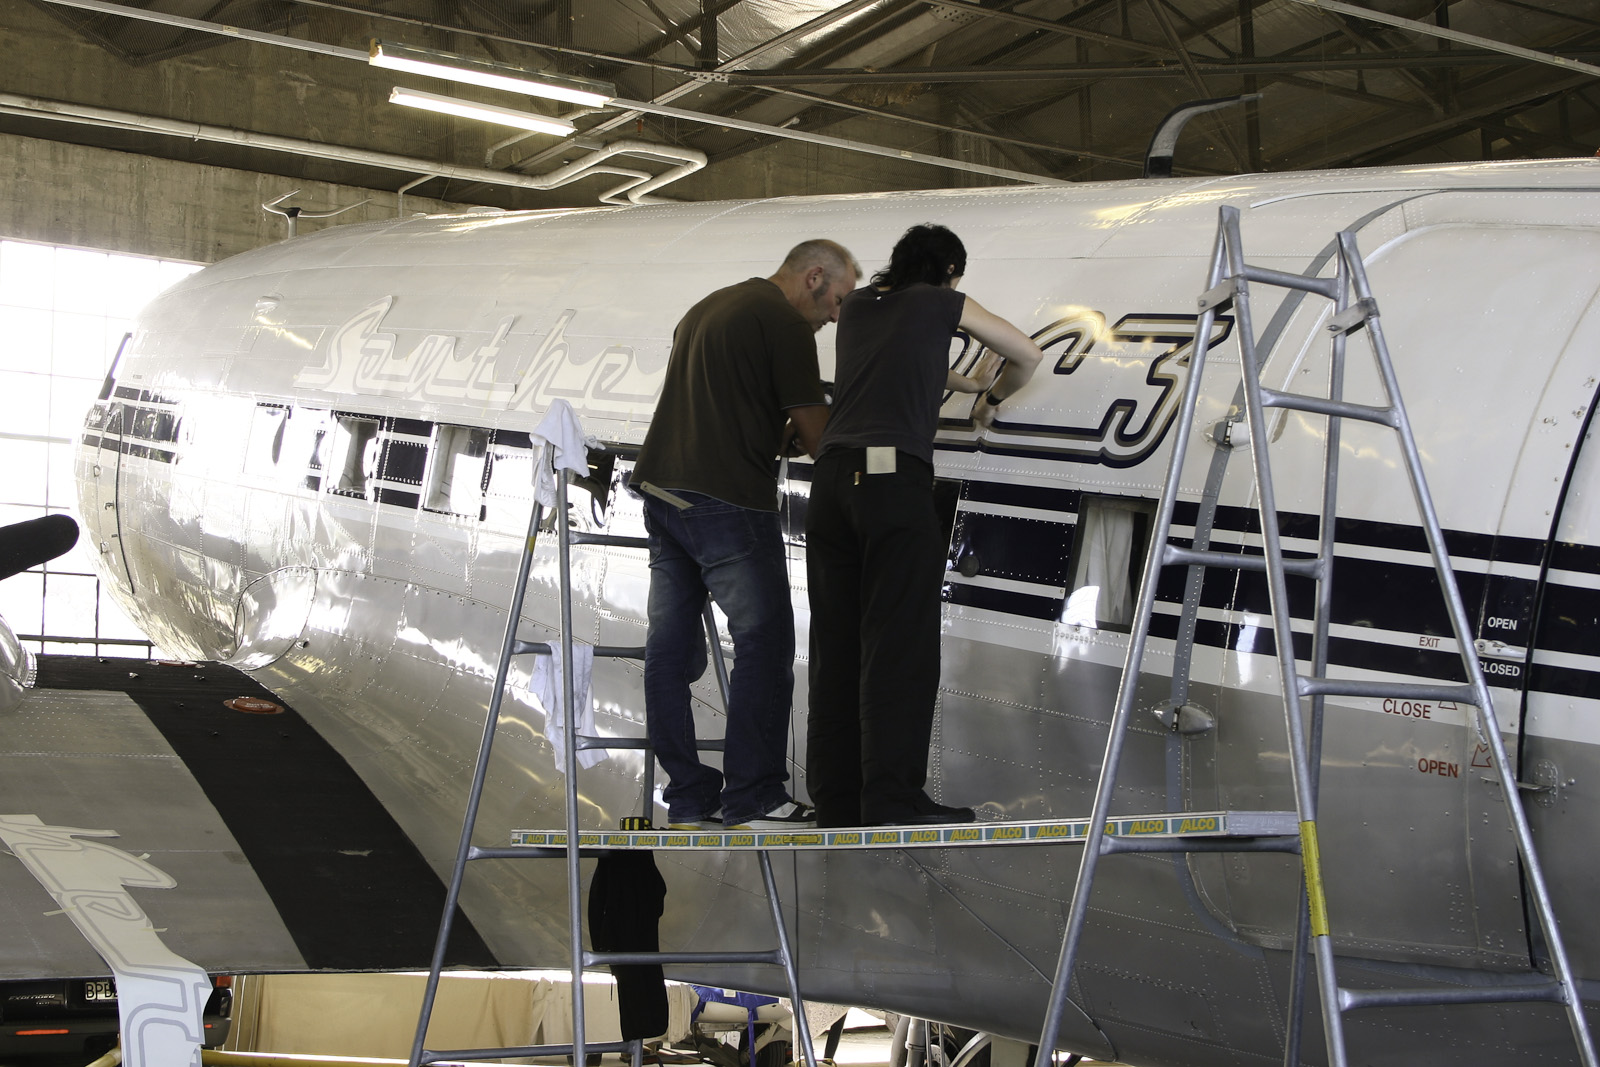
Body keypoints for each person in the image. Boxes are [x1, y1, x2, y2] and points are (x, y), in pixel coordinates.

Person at [805, 223, 1043, 828]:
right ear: (950, 273)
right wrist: (991, 396)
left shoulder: (858, 306)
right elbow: (1028, 354)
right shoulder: (943, 300)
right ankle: (892, 798)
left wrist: (957, 380)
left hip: (832, 484)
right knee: (900, 645)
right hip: (891, 481)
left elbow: (900, 365)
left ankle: (837, 798)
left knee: (838, 644)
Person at [631, 239, 860, 831]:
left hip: (663, 493)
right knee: (764, 645)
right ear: (814, 278)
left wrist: (767, 431)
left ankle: (687, 797)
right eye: (837, 300)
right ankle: (755, 796)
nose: (837, 316)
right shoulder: (782, 323)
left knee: (669, 652)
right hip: (726, 502)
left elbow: (721, 401)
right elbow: (817, 435)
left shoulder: (710, 307)